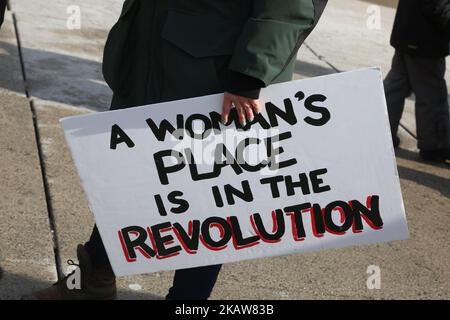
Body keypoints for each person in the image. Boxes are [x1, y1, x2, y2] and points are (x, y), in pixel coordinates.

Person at [26, 0, 327, 300]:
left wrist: (251, 73)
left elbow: (289, 7)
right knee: (129, 179)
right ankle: (92, 279)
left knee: (209, 200)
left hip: (217, 74)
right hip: (151, 53)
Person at [384, 0, 450, 163]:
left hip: (409, 32)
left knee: (396, 86)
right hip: (425, 39)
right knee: (432, 92)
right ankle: (435, 145)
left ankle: (379, 133)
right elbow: (438, 4)